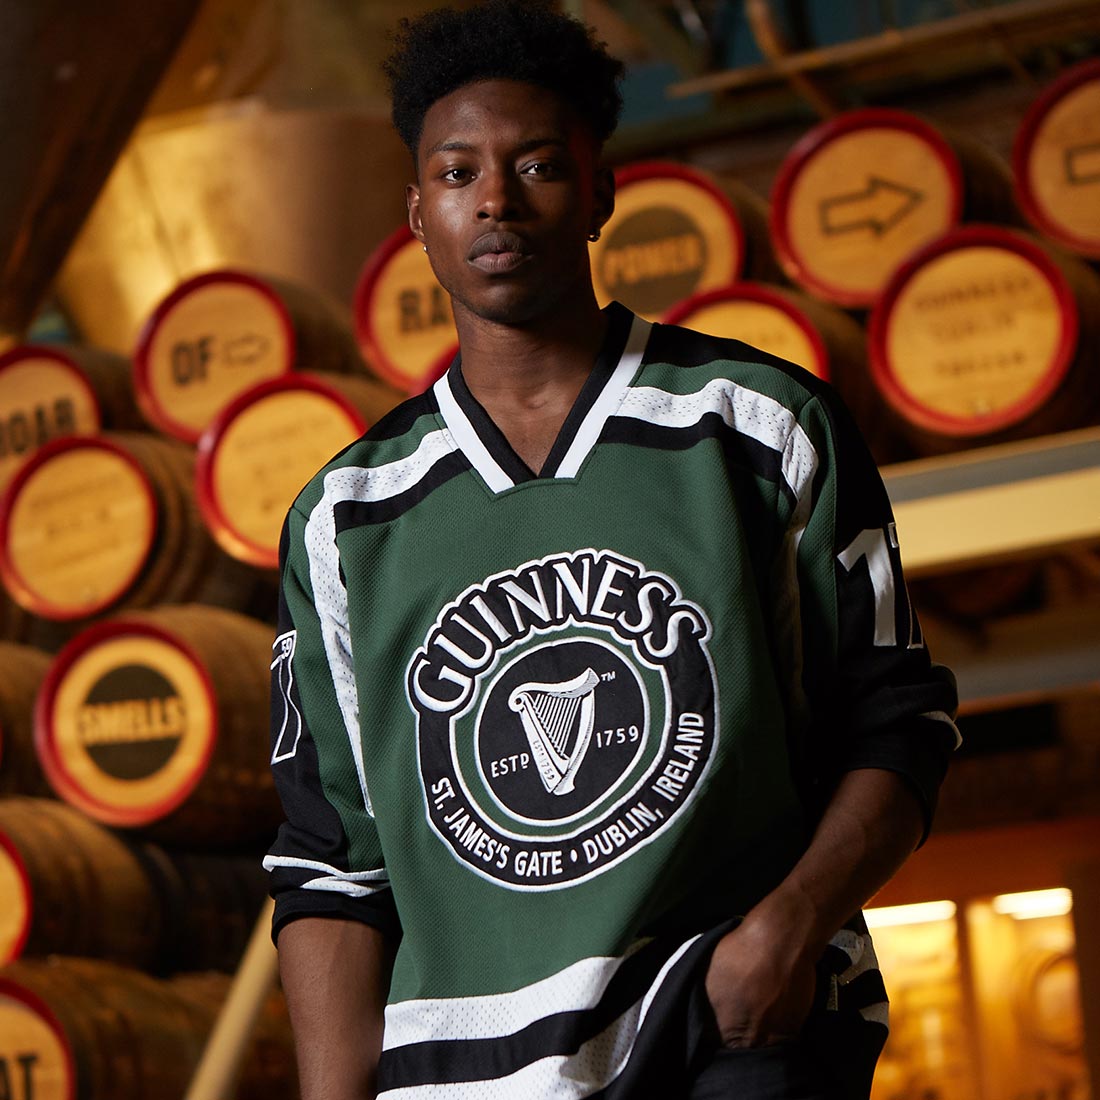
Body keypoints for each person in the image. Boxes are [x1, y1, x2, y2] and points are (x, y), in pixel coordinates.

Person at [263, 2, 959, 1098]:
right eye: (456, 173)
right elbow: (333, 861)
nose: (494, 199)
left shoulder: (755, 425)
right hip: (466, 1072)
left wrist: (785, 926)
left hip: (724, 1028)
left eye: (536, 164)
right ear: (416, 211)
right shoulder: (346, 515)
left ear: (599, 193)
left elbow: (899, 724)